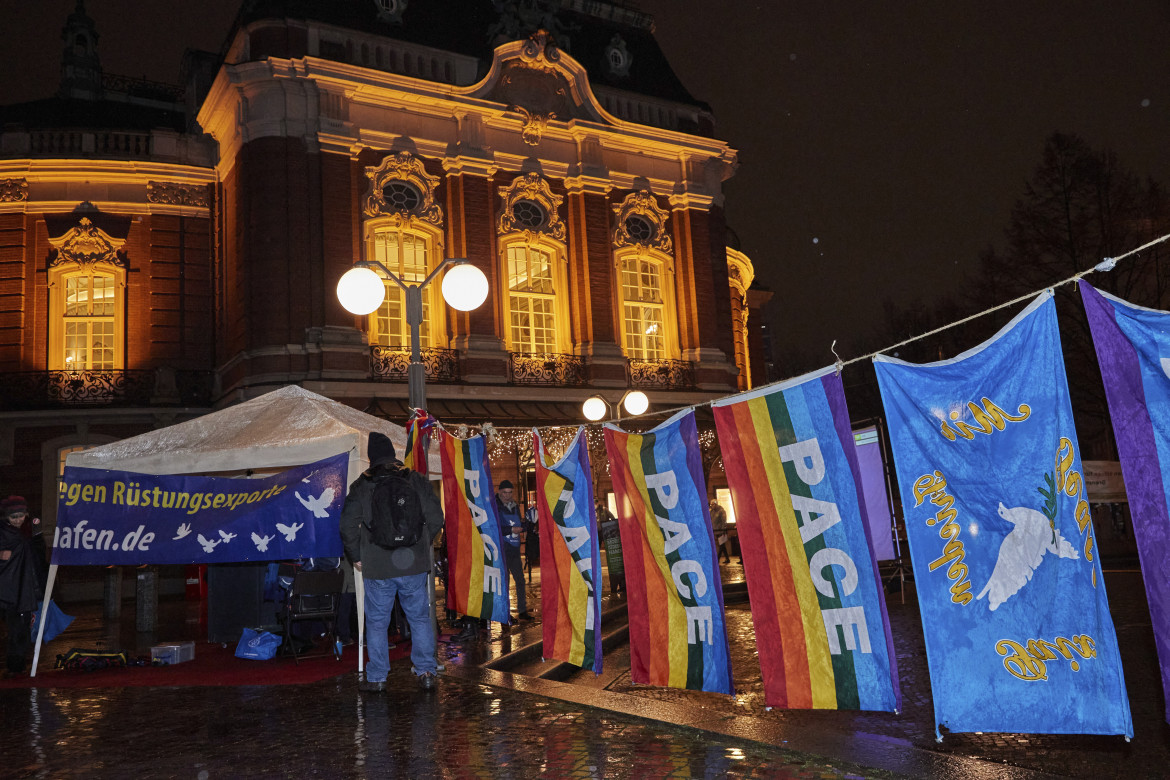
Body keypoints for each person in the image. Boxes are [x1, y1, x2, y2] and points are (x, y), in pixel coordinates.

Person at [341, 432, 444, 693]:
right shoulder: (416, 480)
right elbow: (436, 517)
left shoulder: (362, 486)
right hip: (412, 564)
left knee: (377, 622)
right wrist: (420, 544)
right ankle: (427, 671)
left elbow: (346, 525)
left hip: (377, 566)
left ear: (370, 458)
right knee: (419, 618)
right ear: (394, 454)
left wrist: (357, 556)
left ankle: (377, 677)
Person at [0, 496, 44, 678]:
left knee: (22, 629)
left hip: (24, 588)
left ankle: (17, 665)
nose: (18, 520)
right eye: (13, 517)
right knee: (16, 629)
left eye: (20, 516)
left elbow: (37, 555)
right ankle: (15, 666)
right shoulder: (4, 534)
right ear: (6, 517)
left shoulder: (29, 531)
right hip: (10, 590)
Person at [495, 480, 531, 621]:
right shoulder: (495, 506)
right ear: (499, 492)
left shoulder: (515, 506)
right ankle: (504, 613)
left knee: (520, 580)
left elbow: (519, 524)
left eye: (510, 492)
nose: (507, 495)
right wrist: (511, 529)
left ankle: (522, 610)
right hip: (502, 549)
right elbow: (494, 527)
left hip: (514, 549)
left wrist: (527, 524)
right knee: (504, 582)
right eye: (504, 492)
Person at [597, 501, 625, 597]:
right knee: (597, 547)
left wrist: (609, 525)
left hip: (603, 531)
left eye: (597, 501)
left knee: (608, 548)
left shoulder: (604, 510)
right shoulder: (592, 511)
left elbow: (612, 517)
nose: (596, 503)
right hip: (596, 532)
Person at [710, 499, 733, 564]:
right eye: (711, 505)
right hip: (715, 530)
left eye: (713, 504)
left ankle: (717, 559)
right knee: (722, 546)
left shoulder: (721, 511)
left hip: (720, 531)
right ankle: (727, 558)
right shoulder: (712, 512)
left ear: (716, 504)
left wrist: (723, 530)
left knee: (721, 545)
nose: (712, 506)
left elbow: (724, 521)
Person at [523, 503, 539, 585]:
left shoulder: (529, 524)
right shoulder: (533, 524)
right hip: (533, 542)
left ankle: (529, 567)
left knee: (531, 557)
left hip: (531, 543)